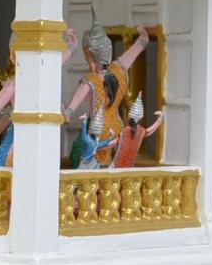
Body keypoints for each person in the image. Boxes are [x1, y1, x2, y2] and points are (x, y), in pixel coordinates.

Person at [0, 28, 78, 166]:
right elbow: (57, 62)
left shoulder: (25, 80)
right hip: (25, 130)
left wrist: (71, 47)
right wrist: (71, 48)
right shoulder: (20, 81)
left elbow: (56, 62)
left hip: (34, 130)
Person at [62, 16, 149, 169]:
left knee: (78, 153)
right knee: (108, 164)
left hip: (96, 130)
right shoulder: (117, 71)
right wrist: (141, 41)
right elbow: (132, 54)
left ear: (90, 55)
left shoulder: (90, 80)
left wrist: (64, 110)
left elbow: (69, 112)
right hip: (116, 127)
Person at [111, 96, 164, 168]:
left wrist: (112, 137)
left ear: (129, 117)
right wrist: (159, 120)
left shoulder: (127, 130)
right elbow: (149, 131)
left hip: (117, 165)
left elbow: (115, 143)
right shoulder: (140, 131)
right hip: (128, 166)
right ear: (140, 119)